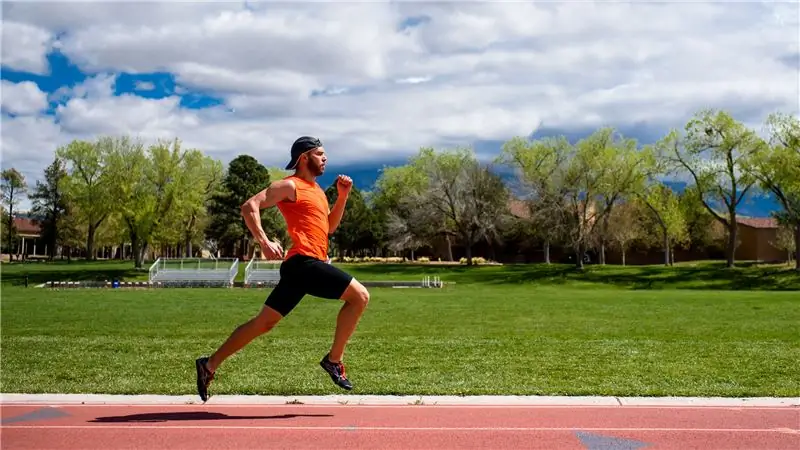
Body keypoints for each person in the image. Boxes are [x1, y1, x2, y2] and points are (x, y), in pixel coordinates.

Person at [194, 136, 370, 402]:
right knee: (360, 296)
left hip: (303, 267)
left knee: (264, 323)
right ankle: (334, 360)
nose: (325, 159)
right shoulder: (289, 186)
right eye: (320, 154)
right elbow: (249, 206)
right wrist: (263, 241)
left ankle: (209, 364)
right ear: (304, 157)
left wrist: (342, 197)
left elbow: (329, 228)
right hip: (304, 262)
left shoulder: (319, 192)